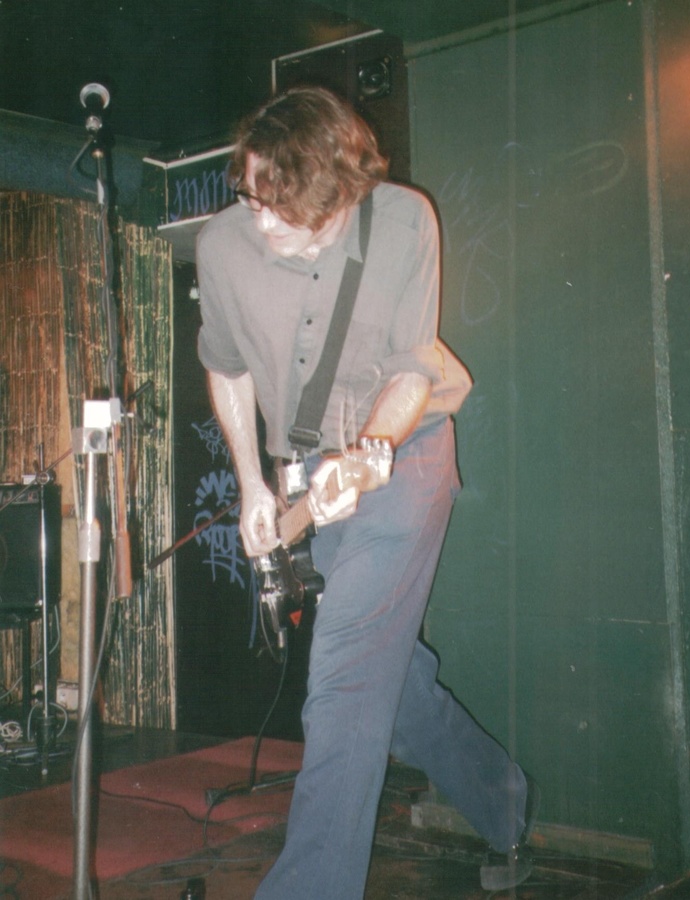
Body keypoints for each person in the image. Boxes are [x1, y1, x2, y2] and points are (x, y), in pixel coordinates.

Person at [196, 85, 538, 899]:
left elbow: (414, 368)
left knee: (346, 674)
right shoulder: (223, 244)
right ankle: (503, 805)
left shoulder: (405, 221)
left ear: (341, 194)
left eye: (285, 210)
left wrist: (369, 454)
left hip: (404, 455)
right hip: (312, 481)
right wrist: (252, 484)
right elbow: (226, 366)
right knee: (392, 678)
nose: (263, 223)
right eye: (253, 197)